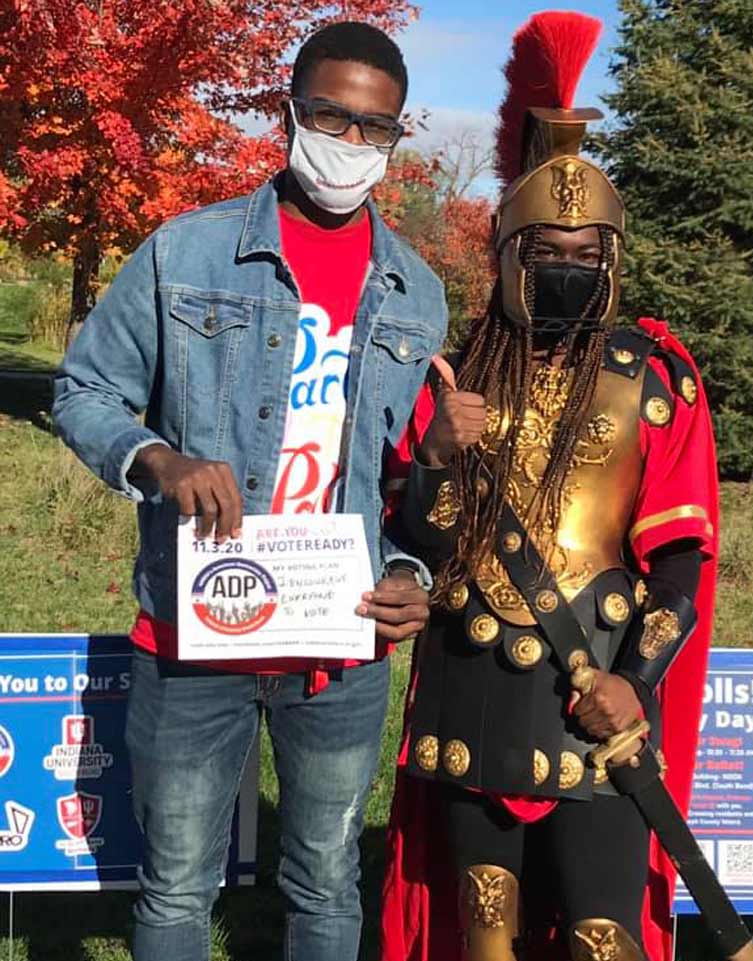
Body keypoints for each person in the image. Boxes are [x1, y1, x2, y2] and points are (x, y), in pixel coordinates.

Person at [53, 21, 448, 961]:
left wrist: (410, 574)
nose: (350, 146)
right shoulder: (183, 256)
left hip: (339, 647)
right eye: (330, 117)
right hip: (193, 636)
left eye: (375, 129)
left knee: (326, 882)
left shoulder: (416, 294)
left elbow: (407, 482)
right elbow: (84, 389)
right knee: (177, 888)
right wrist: (159, 461)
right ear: (289, 114)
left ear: (395, 140)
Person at [380, 12, 718, 961]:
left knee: (601, 931)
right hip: (474, 686)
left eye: (586, 257)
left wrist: (633, 681)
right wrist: (440, 455)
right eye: (546, 255)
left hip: (596, 684)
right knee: (484, 928)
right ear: (506, 257)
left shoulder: (656, 379)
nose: (566, 271)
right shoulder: (458, 375)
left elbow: (684, 558)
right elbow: (427, 544)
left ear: (611, 260)